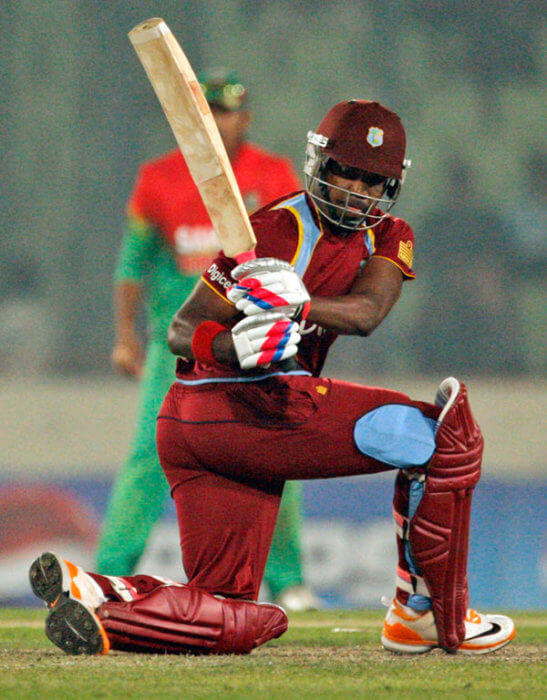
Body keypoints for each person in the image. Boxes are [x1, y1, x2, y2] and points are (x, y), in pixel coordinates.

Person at [30, 99, 515, 657]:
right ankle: (422, 614)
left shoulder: (391, 234)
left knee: (235, 613)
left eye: (373, 180)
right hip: (245, 408)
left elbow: (366, 313)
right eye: (346, 172)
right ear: (320, 165)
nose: (358, 190)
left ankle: (105, 602)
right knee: (440, 438)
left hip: (215, 429)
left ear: (392, 185)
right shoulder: (273, 230)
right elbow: (183, 330)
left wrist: (300, 305)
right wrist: (233, 343)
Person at [94, 69, 318, 611]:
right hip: (176, 345)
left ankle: (287, 580)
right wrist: (126, 338)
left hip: (251, 342)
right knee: (149, 457)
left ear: (244, 118)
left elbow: (296, 254)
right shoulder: (158, 178)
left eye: (226, 112)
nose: (217, 122)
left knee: (274, 450)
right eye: (207, 112)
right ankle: (105, 579)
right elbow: (132, 267)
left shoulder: (273, 174)